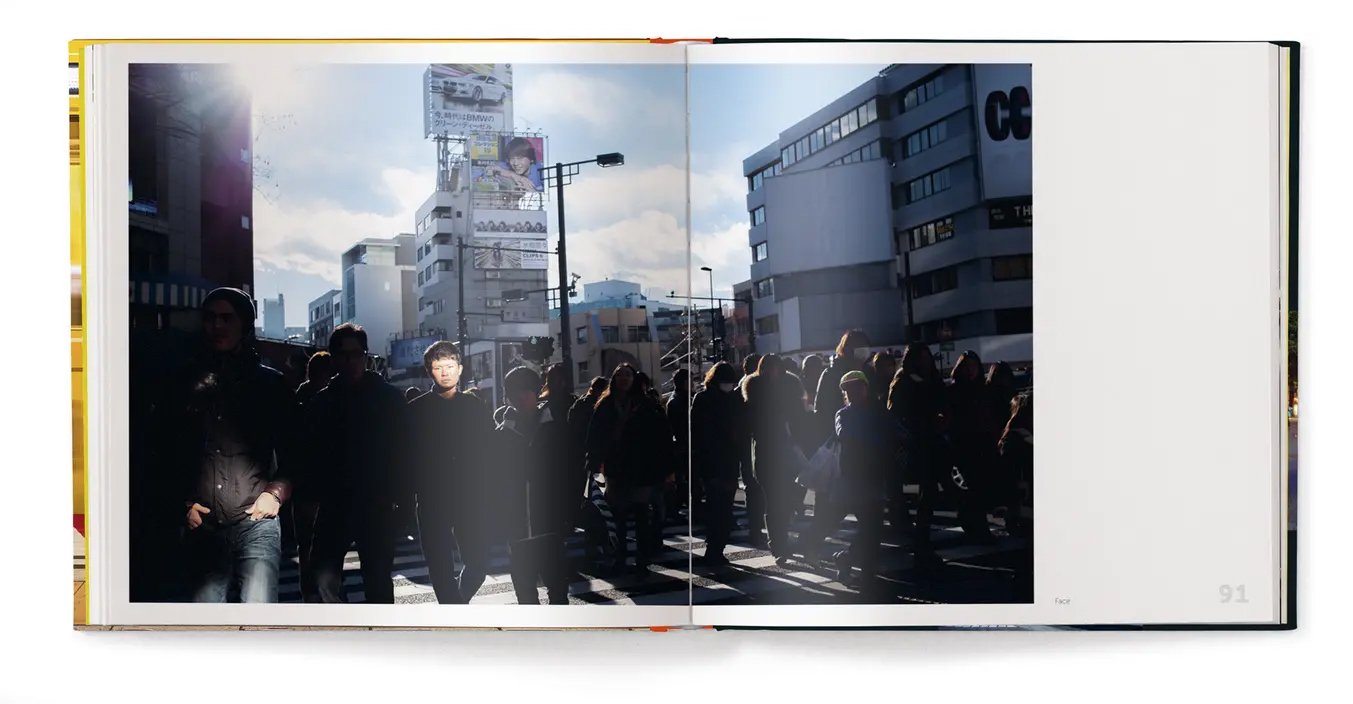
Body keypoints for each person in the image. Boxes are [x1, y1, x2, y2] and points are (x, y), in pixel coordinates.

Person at [152, 287, 297, 603]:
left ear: (244, 324)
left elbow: (296, 449)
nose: (217, 326)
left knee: (259, 618)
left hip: (257, 520)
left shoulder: (269, 384)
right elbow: (165, 450)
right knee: (205, 625)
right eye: (210, 318)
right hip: (203, 525)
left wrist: (275, 493)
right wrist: (184, 504)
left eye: (226, 318)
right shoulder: (184, 382)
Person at [302, 324, 408, 603]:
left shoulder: (390, 399)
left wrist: (401, 499)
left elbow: (405, 451)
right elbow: (311, 454)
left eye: (355, 354)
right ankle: (341, 633)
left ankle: (379, 639)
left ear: (365, 356)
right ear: (334, 358)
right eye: (343, 355)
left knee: (378, 579)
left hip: (377, 503)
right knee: (324, 577)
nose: (350, 361)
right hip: (334, 502)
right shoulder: (321, 403)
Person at [405, 341, 494, 604]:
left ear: (460, 368)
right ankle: (452, 610)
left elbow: (489, 449)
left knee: (478, 564)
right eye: (438, 367)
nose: (444, 372)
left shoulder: (474, 405)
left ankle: (455, 605)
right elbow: (407, 456)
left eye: (450, 366)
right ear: (428, 371)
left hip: (469, 495)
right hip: (432, 497)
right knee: (440, 567)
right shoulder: (416, 409)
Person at [585, 364, 674, 573]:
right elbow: (593, 436)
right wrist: (593, 462)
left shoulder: (646, 404)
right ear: (613, 379)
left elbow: (661, 436)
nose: (624, 379)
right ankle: (620, 555)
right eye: (619, 375)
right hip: (615, 469)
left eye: (628, 375)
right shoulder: (605, 405)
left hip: (642, 467)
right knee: (618, 517)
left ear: (634, 379)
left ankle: (642, 558)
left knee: (642, 514)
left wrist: (665, 468)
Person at [831, 370, 905, 589]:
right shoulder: (843, 414)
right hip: (856, 476)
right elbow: (843, 435)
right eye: (848, 388)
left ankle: (855, 562)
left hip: (877, 473)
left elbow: (898, 431)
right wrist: (878, 441)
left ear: (865, 387)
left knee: (872, 526)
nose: (853, 391)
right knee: (870, 524)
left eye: (858, 386)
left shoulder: (879, 412)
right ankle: (861, 567)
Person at [803, 330, 871, 559]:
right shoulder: (831, 374)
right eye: (859, 346)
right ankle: (813, 543)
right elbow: (822, 412)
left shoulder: (866, 370)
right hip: (841, 447)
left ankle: (818, 544)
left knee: (860, 508)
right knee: (832, 505)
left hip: (864, 448)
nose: (864, 350)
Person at [742, 354, 807, 564]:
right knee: (774, 501)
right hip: (766, 454)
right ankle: (778, 544)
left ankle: (781, 539)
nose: (774, 372)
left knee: (786, 498)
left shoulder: (790, 386)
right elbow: (750, 425)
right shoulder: (755, 390)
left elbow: (800, 419)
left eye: (777, 368)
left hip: (788, 451)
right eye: (769, 368)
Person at [888, 343, 947, 566]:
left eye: (926, 357)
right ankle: (921, 544)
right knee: (925, 492)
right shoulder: (904, 380)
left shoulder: (932, 378)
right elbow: (894, 412)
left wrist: (941, 419)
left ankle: (922, 542)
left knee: (929, 493)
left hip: (931, 440)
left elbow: (943, 403)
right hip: (913, 442)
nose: (925, 361)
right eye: (920, 357)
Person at [289, 350, 334, 601]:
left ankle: (310, 593)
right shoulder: (327, 400)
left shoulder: (299, 397)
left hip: (303, 483)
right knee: (324, 543)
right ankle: (323, 592)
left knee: (306, 544)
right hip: (321, 483)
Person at [692, 362, 745, 567]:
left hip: (718, 461)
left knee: (721, 507)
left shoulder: (721, 399)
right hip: (718, 460)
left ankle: (715, 547)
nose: (728, 384)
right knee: (720, 507)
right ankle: (715, 547)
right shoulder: (723, 399)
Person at [946, 351, 998, 543]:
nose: (971, 371)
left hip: (982, 442)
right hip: (964, 443)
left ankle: (972, 521)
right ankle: (979, 527)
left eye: (974, 367)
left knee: (979, 487)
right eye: (967, 367)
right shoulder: (954, 391)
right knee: (972, 487)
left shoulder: (982, 390)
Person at [569, 376, 615, 563]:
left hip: (587, 462)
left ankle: (594, 543)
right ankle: (601, 543)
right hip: (597, 463)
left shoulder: (580, 406)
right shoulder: (600, 407)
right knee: (601, 505)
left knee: (593, 504)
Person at [737, 354, 766, 547]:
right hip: (752, 446)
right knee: (756, 491)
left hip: (749, 446)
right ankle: (756, 530)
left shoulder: (743, 388)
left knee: (754, 491)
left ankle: (757, 529)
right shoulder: (750, 389)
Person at [664, 369, 693, 522]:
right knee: (684, 480)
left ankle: (678, 509)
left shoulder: (677, 399)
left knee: (684, 480)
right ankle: (676, 510)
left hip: (683, 445)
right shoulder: (678, 401)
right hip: (684, 445)